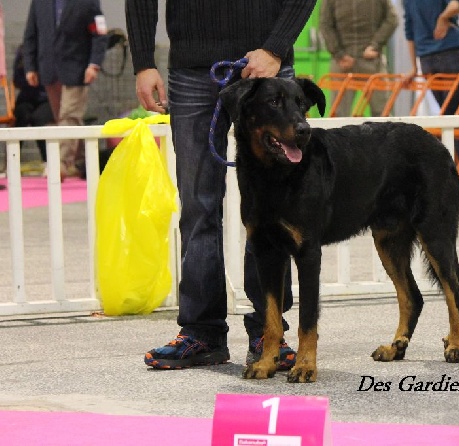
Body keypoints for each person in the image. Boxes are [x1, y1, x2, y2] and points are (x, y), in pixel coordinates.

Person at [125, 0, 316, 371]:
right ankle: (202, 333)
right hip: (191, 69)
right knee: (198, 206)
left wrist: (275, 48)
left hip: (267, 66)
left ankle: (269, 331)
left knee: (272, 209)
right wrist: (144, 63)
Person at [22, 0, 108, 180]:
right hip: (49, 69)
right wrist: (30, 67)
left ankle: (59, 164)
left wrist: (94, 65)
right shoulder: (39, 3)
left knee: (69, 117)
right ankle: (81, 163)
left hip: (78, 70)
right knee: (66, 119)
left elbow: (100, 34)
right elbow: (31, 34)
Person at [319, 0, 398, 117]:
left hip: (343, 63)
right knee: (382, 114)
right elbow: (392, 19)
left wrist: (339, 54)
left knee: (339, 115)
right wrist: (375, 45)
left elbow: (325, 24)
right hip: (371, 60)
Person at [402, 0, 459, 116]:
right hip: (451, 51)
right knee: (452, 111)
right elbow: (455, 5)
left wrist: (414, 67)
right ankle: (454, 133)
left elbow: (409, 32)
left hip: (427, 59)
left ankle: (448, 133)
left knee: (443, 108)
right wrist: (443, 18)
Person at [13, 44, 54, 166]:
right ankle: (13, 161)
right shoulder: (22, 52)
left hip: (46, 98)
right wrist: (29, 78)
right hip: (26, 98)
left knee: (39, 119)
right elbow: (16, 81)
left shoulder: (50, 52)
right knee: (22, 115)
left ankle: (47, 161)